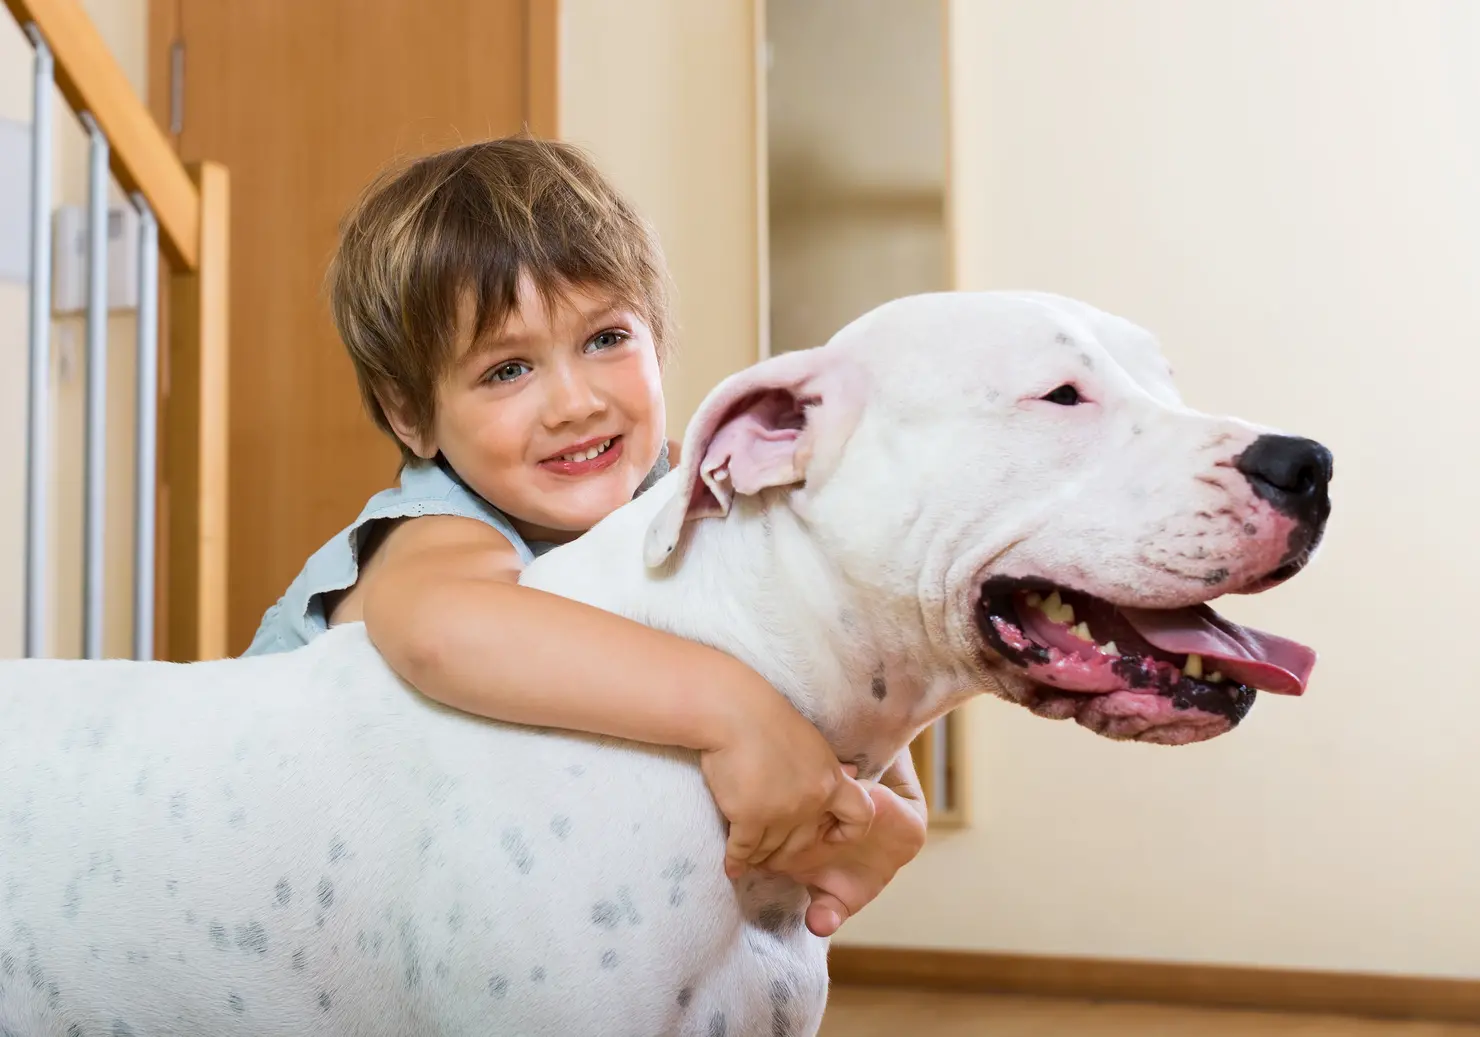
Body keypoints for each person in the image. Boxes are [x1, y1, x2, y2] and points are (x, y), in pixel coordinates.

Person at [244, 136, 926, 936]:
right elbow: (440, 631)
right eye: (507, 370)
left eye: (606, 339)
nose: (575, 403)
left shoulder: (680, 501)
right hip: (273, 887)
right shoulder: (437, 531)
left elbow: (809, 645)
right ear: (409, 415)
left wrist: (874, 804)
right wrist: (739, 712)